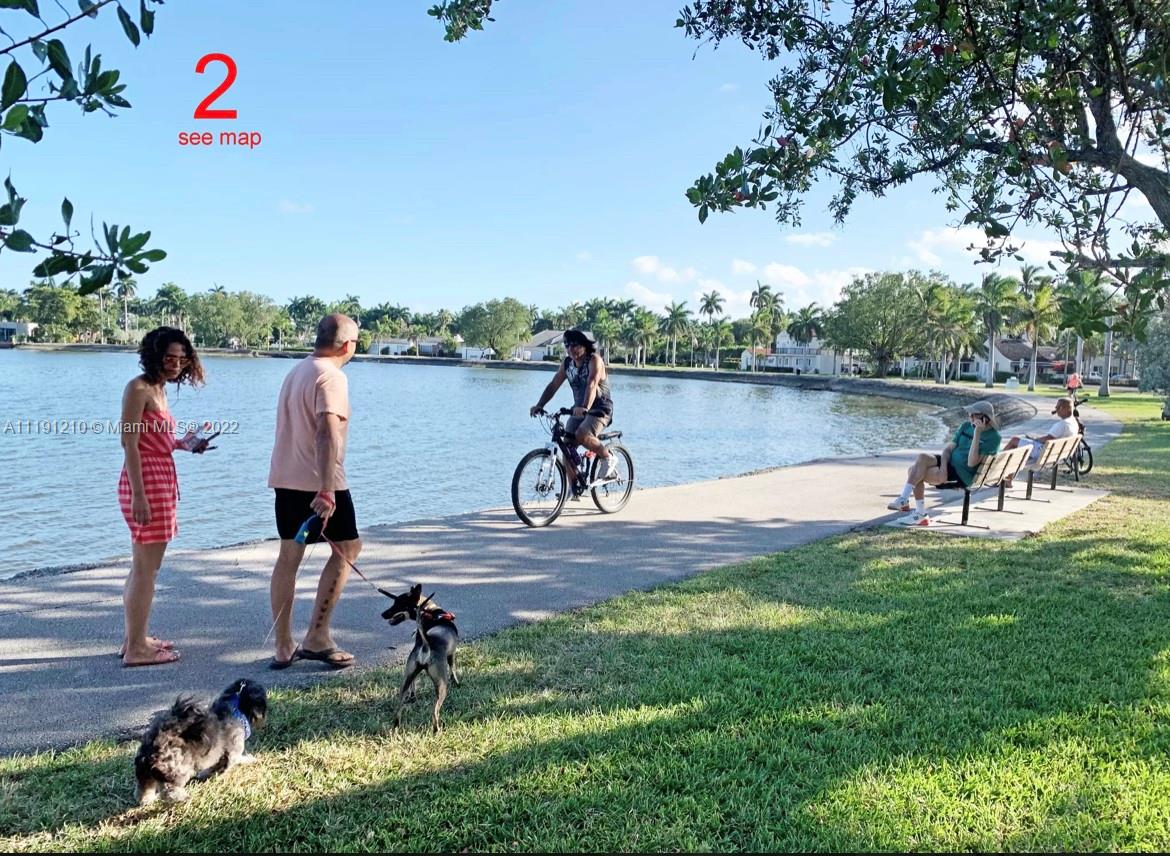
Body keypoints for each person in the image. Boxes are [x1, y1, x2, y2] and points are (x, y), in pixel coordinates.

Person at [268, 314, 363, 670]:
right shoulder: (332, 376)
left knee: (288, 558)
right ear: (347, 345)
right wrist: (326, 489)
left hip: (285, 478)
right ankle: (317, 636)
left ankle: (283, 646)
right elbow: (326, 432)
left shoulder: (298, 371)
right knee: (349, 547)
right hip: (320, 482)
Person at [117, 326, 211, 667]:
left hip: (159, 477)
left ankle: (134, 638)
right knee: (146, 570)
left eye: (181, 359)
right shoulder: (138, 388)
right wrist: (139, 496)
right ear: (154, 355)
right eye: (170, 357)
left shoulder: (158, 389)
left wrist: (184, 444)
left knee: (143, 567)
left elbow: (153, 440)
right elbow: (128, 443)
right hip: (145, 482)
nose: (176, 364)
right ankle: (136, 650)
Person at [885, 400, 1003, 527]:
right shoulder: (965, 426)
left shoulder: (994, 438)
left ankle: (919, 513)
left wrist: (977, 434)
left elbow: (971, 463)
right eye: (969, 414)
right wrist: (943, 467)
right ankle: (904, 500)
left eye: (973, 415)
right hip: (948, 463)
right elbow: (948, 449)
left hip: (962, 474)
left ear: (985, 418)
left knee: (914, 472)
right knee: (922, 458)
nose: (970, 417)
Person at [529, 328, 618, 482]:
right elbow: (553, 385)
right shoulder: (568, 364)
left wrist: (585, 407)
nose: (570, 349)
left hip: (600, 409)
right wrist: (539, 405)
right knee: (567, 447)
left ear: (584, 345)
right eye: (567, 345)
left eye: (575, 345)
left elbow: (592, 383)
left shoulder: (594, 360)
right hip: (578, 409)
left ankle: (607, 457)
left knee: (582, 434)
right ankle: (573, 488)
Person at [1000, 397, 1079, 486]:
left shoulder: (1062, 424)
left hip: (1044, 453)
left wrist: (1035, 439)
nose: (1056, 409)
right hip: (1055, 455)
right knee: (1017, 451)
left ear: (1065, 408)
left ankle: (998, 464)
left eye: (1058, 407)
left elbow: (1048, 439)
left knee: (1014, 440)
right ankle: (1007, 479)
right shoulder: (1074, 423)